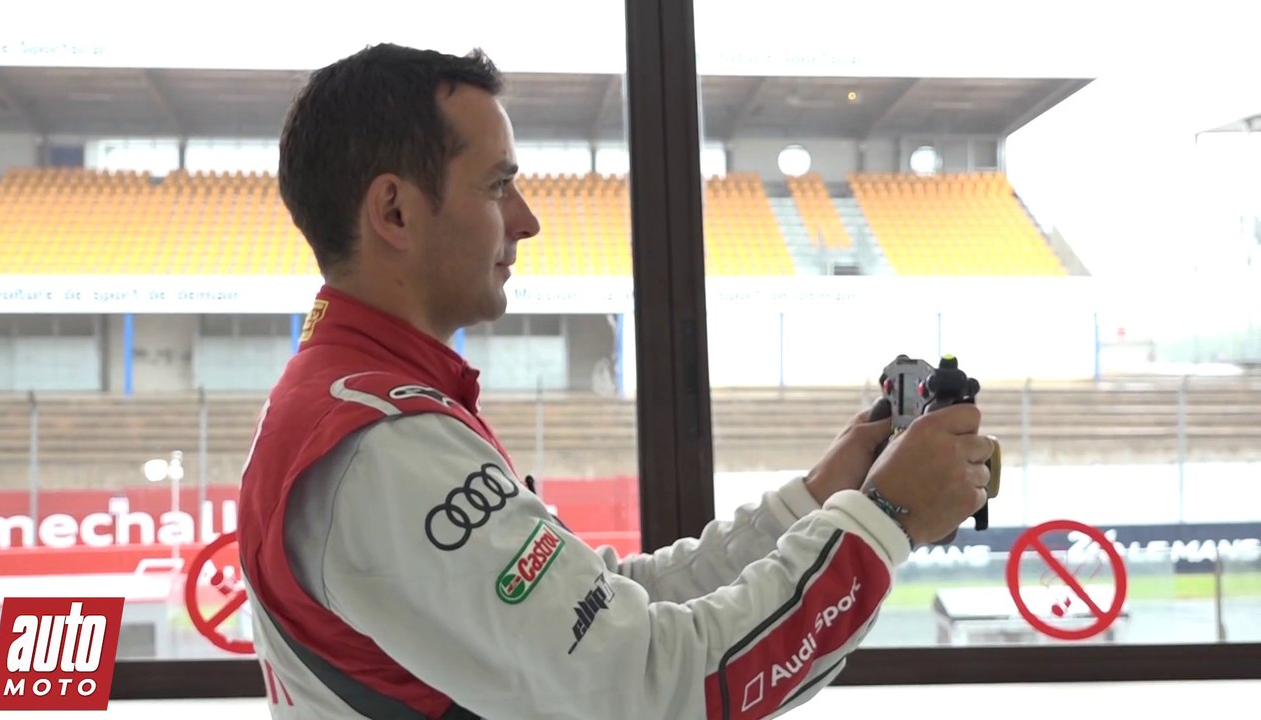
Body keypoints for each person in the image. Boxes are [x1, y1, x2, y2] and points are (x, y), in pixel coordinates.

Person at [236, 43, 996, 720]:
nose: (526, 221)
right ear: (395, 212)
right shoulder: (383, 449)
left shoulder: (354, 405)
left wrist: (817, 498)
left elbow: (604, 612)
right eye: (498, 186)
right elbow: (656, 691)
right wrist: (887, 517)